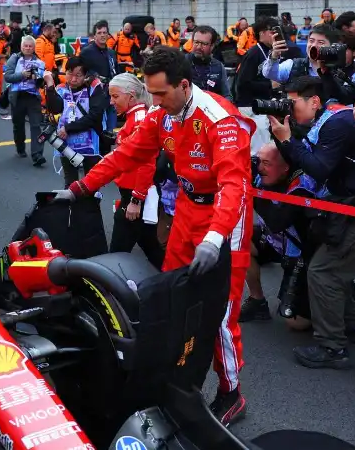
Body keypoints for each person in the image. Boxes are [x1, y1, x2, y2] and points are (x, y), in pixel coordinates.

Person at [57, 47, 254, 426]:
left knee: (221, 310)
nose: (156, 101)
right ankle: (175, 375)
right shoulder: (163, 115)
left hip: (226, 216)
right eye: (151, 93)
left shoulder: (219, 119)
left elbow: (235, 185)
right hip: (187, 208)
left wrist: (216, 237)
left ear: (184, 85)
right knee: (175, 296)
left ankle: (232, 392)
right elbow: (125, 155)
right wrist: (81, 187)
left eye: (161, 93)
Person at [268, 76, 355, 370]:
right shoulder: (329, 119)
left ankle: (333, 347)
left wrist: (286, 139)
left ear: (314, 101)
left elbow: (318, 168)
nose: (289, 110)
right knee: (329, 266)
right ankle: (353, 327)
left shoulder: (337, 123)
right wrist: (288, 136)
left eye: (293, 104)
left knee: (323, 271)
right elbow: (306, 156)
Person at [240, 142, 321, 326]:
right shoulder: (261, 176)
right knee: (236, 241)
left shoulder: (301, 187)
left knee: (296, 323)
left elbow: (277, 222)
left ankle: (339, 294)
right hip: (273, 240)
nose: (259, 169)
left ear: (286, 167)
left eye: (266, 163)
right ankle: (257, 301)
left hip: (301, 253)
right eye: (257, 161)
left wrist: (252, 190)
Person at [102, 72, 161, 266]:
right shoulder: (135, 116)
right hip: (134, 193)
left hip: (134, 195)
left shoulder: (139, 119)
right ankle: (179, 284)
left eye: (115, 96)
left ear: (131, 95)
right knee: (151, 247)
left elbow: (146, 162)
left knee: (116, 254)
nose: (111, 102)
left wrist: (136, 199)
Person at [44, 56, 107, 184]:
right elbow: (54, 109)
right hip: (67, 144)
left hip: (90, 145)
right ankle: (71, 205)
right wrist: (50, 86)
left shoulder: (93, 88)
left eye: (78, 75)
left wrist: (68, 128)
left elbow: (95, 116)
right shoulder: (61, 88)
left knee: (91, 185)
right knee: (70, 184)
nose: (73, 79)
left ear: (86, 75)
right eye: (69, 74)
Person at [234, 17, 277, 153]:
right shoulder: (253, 53)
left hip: (263, 105)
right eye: (271, 31)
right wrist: (269, 85)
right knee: (258, 149)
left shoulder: (271, 52)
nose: (275, 35)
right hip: (250, 107)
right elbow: (242, 83)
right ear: (261, 33)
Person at [4, 35, 47, 166]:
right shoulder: (14, 58)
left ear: (34, 48)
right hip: (17, 96)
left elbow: (41, 83)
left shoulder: (39, 61)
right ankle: (20, 147)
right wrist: (22, 75)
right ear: (21, 47)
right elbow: (8, 77)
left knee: (36, 125)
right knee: (18, 125)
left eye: (30, 46)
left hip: (33, 97)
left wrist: (38, 78)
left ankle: (37, 154)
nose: (28, 48)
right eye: (25, 46)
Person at [190, 25, 229, 97]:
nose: (198, 47)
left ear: (212, 46)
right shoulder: (181, 63)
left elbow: (227, 95)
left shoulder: (219, 66)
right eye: (196, 42)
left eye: (204, 44)